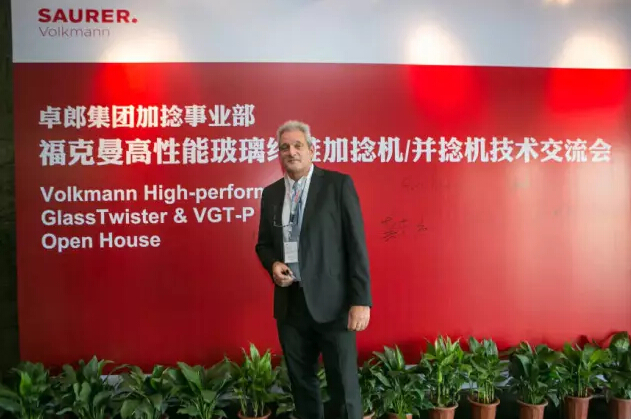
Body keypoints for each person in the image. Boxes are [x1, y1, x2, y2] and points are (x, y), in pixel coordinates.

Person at [255, 120, 372, 419]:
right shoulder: (271, 194)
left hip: (334, 305)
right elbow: (263, 244)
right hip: (291, 306)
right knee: (302, 386)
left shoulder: (337, 185)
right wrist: (273, 264)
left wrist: (361, 301)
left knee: (344, 388)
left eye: (297, 145)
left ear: (311, 149)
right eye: (284, 147)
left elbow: (356, 245)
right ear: (279, 154)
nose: (291, 152)